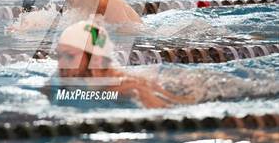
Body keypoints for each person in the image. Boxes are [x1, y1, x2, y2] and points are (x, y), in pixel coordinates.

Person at [48, 21, 194, 108]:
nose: (61, 64)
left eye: (69, 56)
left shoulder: (131, 89)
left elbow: (169, 115)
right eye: (59, 55)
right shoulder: (61, 79)